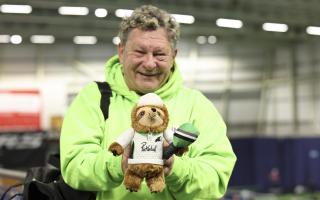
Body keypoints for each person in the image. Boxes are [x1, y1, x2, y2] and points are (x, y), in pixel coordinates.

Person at [60, 5, 236, 200]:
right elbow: (74, 166)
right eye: (140, 52)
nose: (150, 63)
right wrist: (119, 164)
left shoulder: (197, 105)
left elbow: (216, 177)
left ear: (173, 56)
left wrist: (175, 169)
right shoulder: (94, 98)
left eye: (159, 54)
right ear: (121, 51)